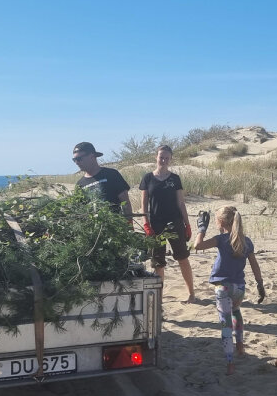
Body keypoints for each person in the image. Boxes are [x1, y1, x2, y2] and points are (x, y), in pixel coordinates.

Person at [193, 205, 266, 375]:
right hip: (239, 288)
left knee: (225, 326)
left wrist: (201, 229)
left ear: (220, 222)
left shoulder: (221, 239)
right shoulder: (246, 241)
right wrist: (260, 284)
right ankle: (240, 346)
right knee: (236, 312)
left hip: (223, 288)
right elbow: (254, 265)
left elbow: (198, 245)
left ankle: (230, 362)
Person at [139, 144, 196, 303]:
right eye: (161, 157)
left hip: (175, 222)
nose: (163, 160)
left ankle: (191, 293)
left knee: (182, 258)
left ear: (170, 159)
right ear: (156, 157)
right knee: (158, 263)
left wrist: (187, 224)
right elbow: (144, 204)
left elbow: (181, 203)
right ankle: (158, 299)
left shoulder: (175, 179)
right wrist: (146, 224)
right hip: (156, 225)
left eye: (166, 158)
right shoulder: (147, 178)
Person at [73, 142, 132, 217]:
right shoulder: (80, 184)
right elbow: (80, 211)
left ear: (92, 156)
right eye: (74, 160)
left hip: (116, 225)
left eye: (79, 159)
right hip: (94, 227)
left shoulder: (112, 174)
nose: (77, 162)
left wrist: (129, 224)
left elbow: (125, 202)